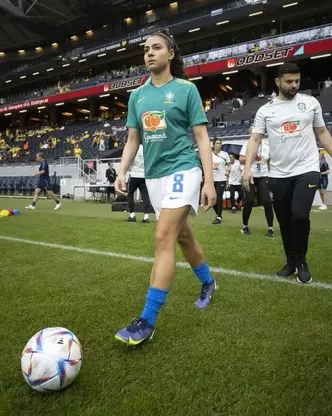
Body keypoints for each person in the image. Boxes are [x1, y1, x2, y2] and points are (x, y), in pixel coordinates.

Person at [113, 29, 217, 346]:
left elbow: (201, 138)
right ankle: (208, 282)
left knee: (163, 238)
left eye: (156, 48)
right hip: (155, 177)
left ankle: (146, 320)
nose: (149, 53)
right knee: (183, 236)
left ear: (170, 54)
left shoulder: (186, 90)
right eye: (146, 49)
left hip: (183, 169)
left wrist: (209, 180)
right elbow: (133, 139)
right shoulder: (137, 96)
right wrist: (121, 170)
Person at [243, 63, 332, 284]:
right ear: (278, 82)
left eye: (297, 81)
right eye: (289, 81)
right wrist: (247, 168)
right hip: (278, 174)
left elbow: (322, 132)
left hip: (307, 169)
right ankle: (290, 262)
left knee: (299, 215)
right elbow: (255, 140)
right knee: (285, 221)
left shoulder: (310, 103)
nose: (294, 85)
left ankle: (302, 262)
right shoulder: (265, 111)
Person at [239, 137, 275, 238]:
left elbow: (269, 161)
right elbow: (241, 159)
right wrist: (251, 157)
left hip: (263, 175)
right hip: (250, 174)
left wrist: (271, 174)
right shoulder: (247, 144)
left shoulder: (267, 145)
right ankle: (244, 226)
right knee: (249, 200)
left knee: (266, 200)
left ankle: (270, 228)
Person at [126, 144, 152, 223]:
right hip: (143, 175)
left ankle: (132, 215)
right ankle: (146, 216)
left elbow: (128, 162)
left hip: (134, 175)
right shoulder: (146, 148)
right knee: (145, 196)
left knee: (130, 194)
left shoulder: (133, 147)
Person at [211, 139, 230, 224]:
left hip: (221, 179)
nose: (219, 145)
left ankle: (218, 216)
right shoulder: (209, 154)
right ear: (214, 145)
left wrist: (227, 171)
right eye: (217, 143)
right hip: (212, 179)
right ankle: (218, 213)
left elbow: (229, 164)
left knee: (219, 197)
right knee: (212, 198)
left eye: (220, 143)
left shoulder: (225, 154)